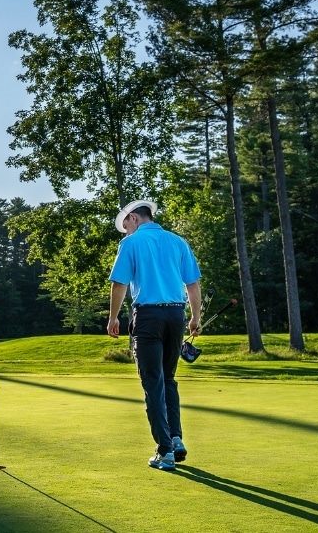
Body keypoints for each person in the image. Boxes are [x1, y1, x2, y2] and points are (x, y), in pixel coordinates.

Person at [106, 199, 201, 472]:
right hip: (176, 316)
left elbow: (120, 282)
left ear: (134, 218)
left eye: (126, 226)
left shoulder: (131, 244)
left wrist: (113, 317)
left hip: (148, 317)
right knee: (168, 379)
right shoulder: (178, 241)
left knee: (153, 382)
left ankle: (165, 452)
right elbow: (192, 283)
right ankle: (175, 438)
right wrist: (195, 317)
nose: (126, 232)